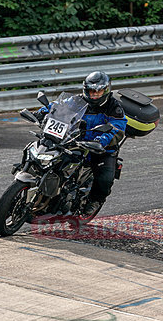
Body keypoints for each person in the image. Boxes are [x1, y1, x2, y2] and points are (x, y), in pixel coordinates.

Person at [36, 71, 126, 215]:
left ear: (106, 90)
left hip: (101, 149)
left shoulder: (114, 107)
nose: (94, 95)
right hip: (75, 141)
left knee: (104, 178)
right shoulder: (77, 100)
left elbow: (118, 127)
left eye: (98, 92)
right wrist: (43, 111)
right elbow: (59, 106)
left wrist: (102, 140)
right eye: (91, 91)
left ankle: (95, 201)